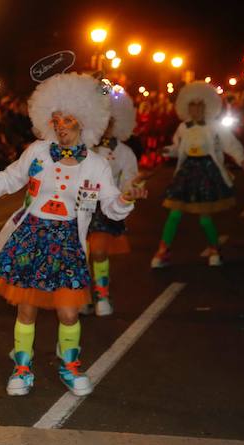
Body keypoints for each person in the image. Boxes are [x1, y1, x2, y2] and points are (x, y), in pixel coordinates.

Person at [0, 73, 145, 397]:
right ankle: (22, 366)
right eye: (56, 120)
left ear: (85, 123)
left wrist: (126, 199)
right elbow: (10, 177)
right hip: (31, 235)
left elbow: (112, 204)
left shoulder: (96, 165)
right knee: (26, 308)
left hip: (68, 241)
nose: (61, 126)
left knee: (69, 311)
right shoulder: (37, 151)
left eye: (69, 120)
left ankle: (69, 364)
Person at [151, 81, 244, 268]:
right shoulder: (183, 127)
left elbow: (231, 145)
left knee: (205, 217)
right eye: (192, 106)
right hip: (186, 172)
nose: (195, 110)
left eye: (199, 106)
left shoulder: (215, 126)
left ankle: (214, 249)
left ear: (206, 107)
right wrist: (166, 151)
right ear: (187, 108)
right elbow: (178, 148)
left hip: (206, 172)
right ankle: (163, 251)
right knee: (174, 214)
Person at [86, 88, 141, 316]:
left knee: (98, 252)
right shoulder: (83, 149)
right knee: (80, 254)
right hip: (79, 207)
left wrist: (127, 193)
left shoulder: (125, 152)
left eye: (109, 120)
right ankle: (83, 296)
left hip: (105, 209)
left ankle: (102, 295)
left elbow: (129, 178)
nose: (105, 125)